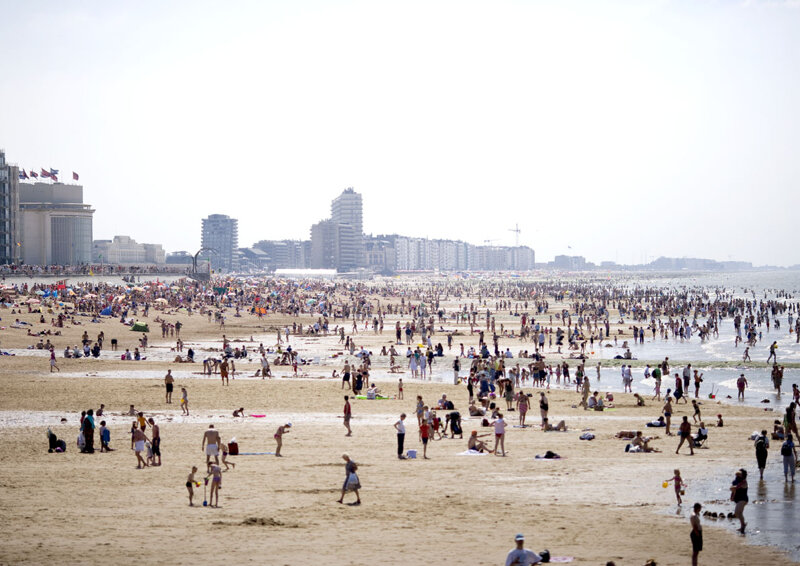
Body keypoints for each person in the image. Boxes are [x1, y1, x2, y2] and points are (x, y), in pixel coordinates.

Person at [730, 468, 748, 534]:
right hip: (740, 500)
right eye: (737, 475)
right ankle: (742, 526)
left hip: (743, 499)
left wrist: (733, 488)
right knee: (740, 513)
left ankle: (743, 524)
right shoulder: (736, 481)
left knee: (737, 513)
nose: (738, 476)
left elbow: (735, 488)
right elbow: (732, 488)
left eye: (740, 475)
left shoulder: (744, 482)